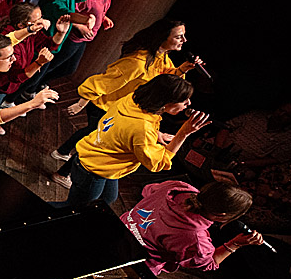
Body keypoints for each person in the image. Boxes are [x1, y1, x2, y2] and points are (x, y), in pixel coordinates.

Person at [52, 19, 202, 188]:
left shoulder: (162, 58)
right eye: (179, 36)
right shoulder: (138, 62)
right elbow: (106, 80)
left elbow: (167, 81)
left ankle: (62, 152)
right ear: (163, 37)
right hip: (107, 105)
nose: (184, 40)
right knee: (94, 140)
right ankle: (62, 173)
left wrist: (183, 70)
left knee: (91, 134)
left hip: (121, 107)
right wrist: (82, 101)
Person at [66, 74, 210, 207]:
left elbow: (127, 127)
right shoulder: (143, 129)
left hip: (97, 156)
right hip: (93, 169)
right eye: (184, 100)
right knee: (75, 208)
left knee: (107, 198)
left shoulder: (133, 99)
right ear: (166, 101)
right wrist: (183, 133)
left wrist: (156, 134)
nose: (189, 103)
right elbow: (158, 163)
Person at [28, 0, 162, 91]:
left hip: (57, 42)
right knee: (34, 74)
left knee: (58, 70)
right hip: (46, 43)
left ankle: (27, 93)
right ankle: (18, 97)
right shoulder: (52, 0)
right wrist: (87, 20)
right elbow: (67, 13)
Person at [121, 180, 264, 276]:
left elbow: (148, 190)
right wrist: (236, 243)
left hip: (117, 227)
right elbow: (208, 263)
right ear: (222, 215)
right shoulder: (195, 238)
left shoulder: (178, 187)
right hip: (132, 263)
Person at [0, 5, 70, 135]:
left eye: (42, 17)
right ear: (21, 25)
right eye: (38, 20)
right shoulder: (9, 42)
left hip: (4, 86)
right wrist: (39, 63)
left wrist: (61, 32)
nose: (43, 23)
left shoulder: (31, 33)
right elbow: (16, 76)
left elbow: (48, 44)